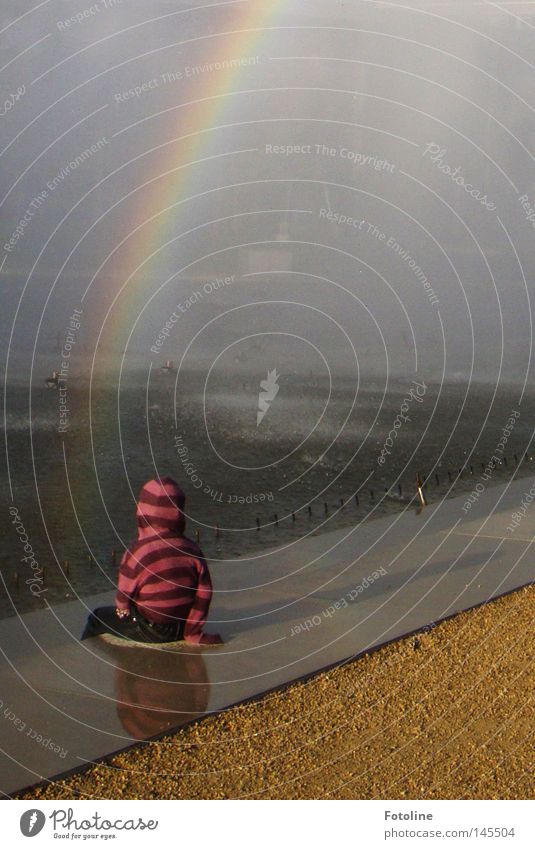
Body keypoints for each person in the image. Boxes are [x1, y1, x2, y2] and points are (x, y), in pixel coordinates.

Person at [81, 477, 223, 645]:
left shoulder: (139, 551)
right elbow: (204, 594)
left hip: (151, 629)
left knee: (97, 618)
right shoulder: (192, 550)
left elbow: (124, 595)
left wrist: (122, 610)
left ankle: (81, 656)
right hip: (181, 627)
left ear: (142, 512)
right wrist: (193, 631)